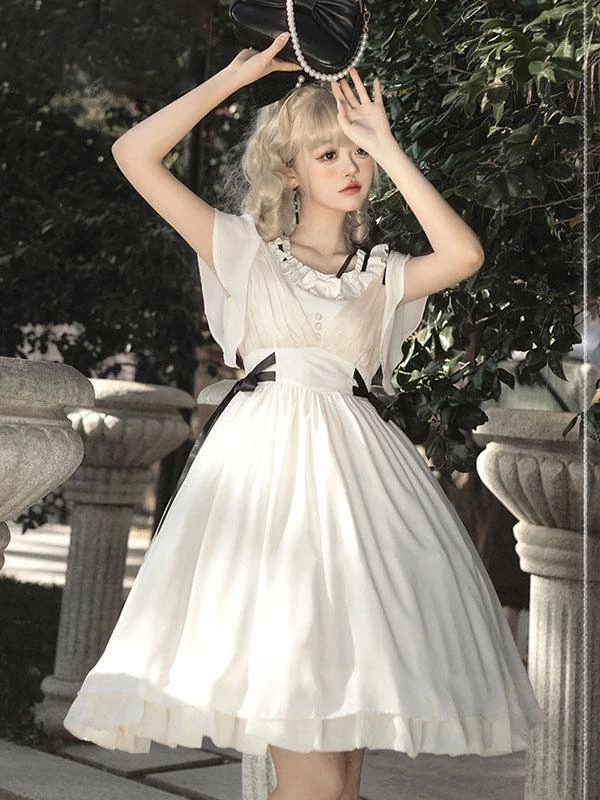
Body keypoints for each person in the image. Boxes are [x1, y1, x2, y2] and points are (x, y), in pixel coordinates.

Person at [63, 33, 546, 800]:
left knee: (341, 781)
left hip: (362, 502)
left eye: (356, 154)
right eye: (327, 154)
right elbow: (133, 154)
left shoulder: (381, 274)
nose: (349, 168)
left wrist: (385, 144)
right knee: (316, 781)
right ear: (289, 170)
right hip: (267, 503)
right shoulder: (242, 250)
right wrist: (233, 79)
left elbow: (463, 255)